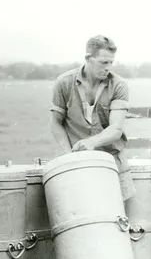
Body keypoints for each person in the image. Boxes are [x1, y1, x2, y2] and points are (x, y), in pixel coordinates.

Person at [49, 35, 135, 212]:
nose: (108, 68)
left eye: (111, 62)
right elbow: (55, 123)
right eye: (104, 62)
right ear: (88, 58)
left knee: (116, 221)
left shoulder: (119, 85)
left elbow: (116, 129)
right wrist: (69, 156)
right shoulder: (64, 83)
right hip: (76, 165)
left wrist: (90, 143)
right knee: (80, 220)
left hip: (112, 164)